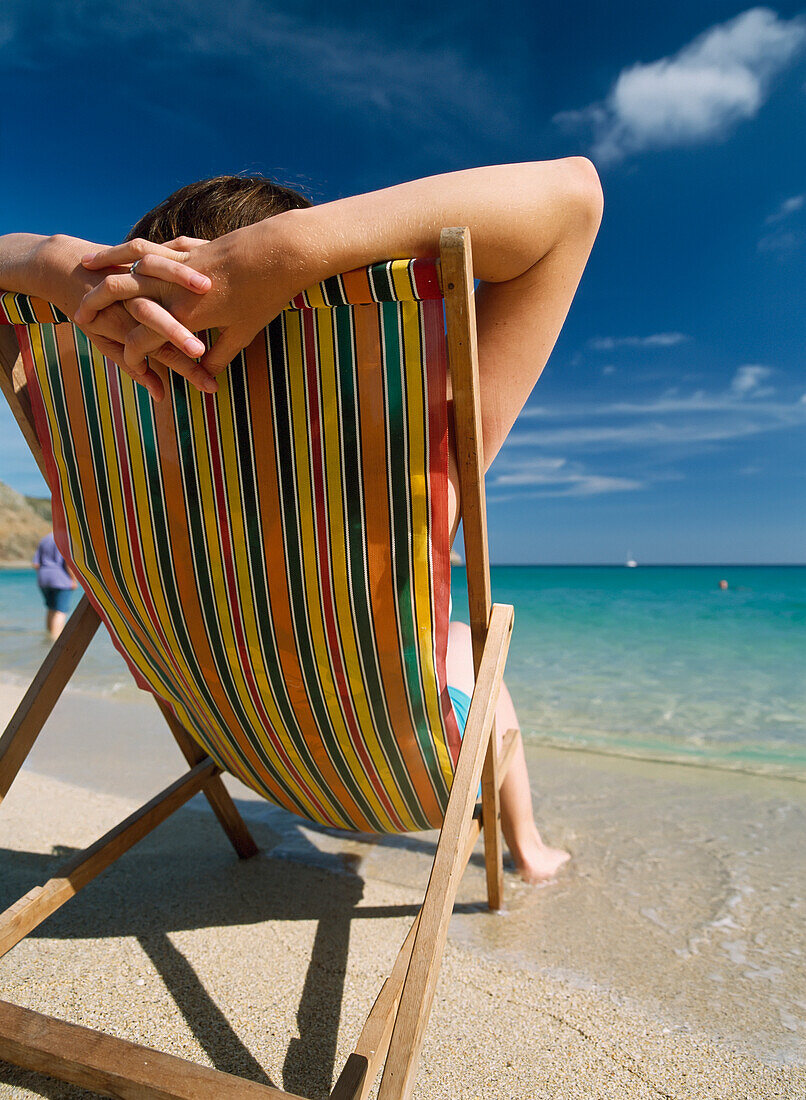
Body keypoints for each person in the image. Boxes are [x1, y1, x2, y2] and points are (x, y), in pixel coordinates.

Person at [0, 161, 603, 881]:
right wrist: (291, 253)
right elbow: (574, 200)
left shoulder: (100, 452)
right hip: (411, 779)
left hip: (246, 750)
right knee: (479, 656)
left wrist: (57, 263)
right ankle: (528, 850)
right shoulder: (404, 445)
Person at [32, 531, 76, 639]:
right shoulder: (66, 538)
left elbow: (35, 564)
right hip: (61, 579)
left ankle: (48, 638)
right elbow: (68, 563)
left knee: (51, 608)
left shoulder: (45, 539)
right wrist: (73, 580)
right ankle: (55, 639)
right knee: (60, 611)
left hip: (43, 578)